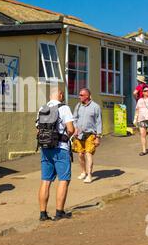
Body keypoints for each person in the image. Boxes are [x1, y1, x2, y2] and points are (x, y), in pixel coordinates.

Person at [36, 88, 74, 221]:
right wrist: (63, 138)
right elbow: (70, 129)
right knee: (63, 179)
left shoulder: (42, 108)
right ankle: (59, 212)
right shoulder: (64, 108)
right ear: (60, 94)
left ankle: (43, 214)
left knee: (45, 180)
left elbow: (37, 130)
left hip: (45, 149)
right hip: (61, 149)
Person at [72, 88, 102, 183]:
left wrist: (98, 137)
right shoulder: (78, 106)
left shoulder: (95, 107)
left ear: (87, 96)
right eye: (79, 94)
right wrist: (75, 128)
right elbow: (74, 118)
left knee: (88, 154)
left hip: (90, 134)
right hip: (79, 134)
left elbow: (99, 122)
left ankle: (89, 175)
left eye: (81, 95)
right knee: (81, 154)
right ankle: (83, 172)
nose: (79, 96)